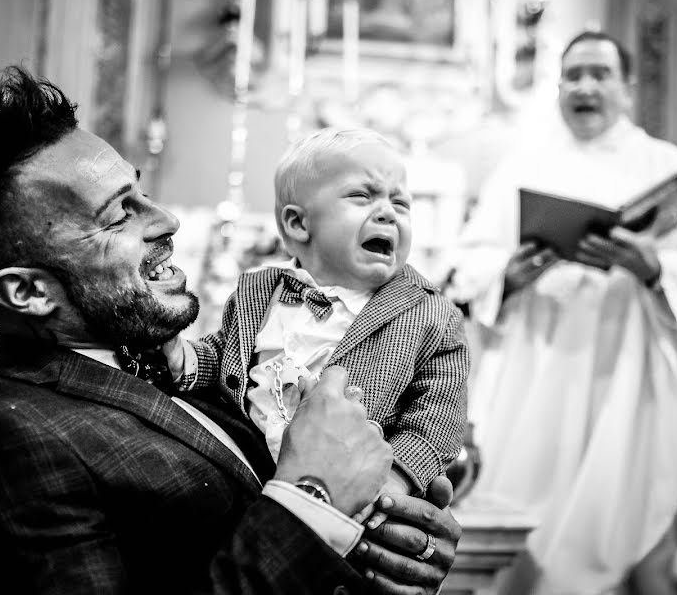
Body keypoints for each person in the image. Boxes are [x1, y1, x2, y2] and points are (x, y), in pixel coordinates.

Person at [0, 66, 461, 594]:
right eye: (118, 217)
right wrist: (313, 499)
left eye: (140, 194)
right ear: (28, 292)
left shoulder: (170, 359)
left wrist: (384, 557)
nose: (165, 219)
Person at [446, 31, 677, 594]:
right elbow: (470, 261)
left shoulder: (669, 167)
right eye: (573, 75)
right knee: (528, 502)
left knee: (624, 508)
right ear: (558, 88)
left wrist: (653, 267)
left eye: (600, 74)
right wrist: (509, 275)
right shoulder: (523, 166)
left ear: (628, 89)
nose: (585, 87)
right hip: (538, 366)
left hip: (631, 374)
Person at [165, 128, 469, 519]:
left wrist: (391, 481)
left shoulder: (432, 315)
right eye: (362, 196)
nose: (387, 212)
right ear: (298, 224)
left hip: (351, 498)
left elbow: (437, 418)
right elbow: (226, 354)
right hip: (245, 478)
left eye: (401, 202)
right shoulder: (257, 291)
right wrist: (187, 359)